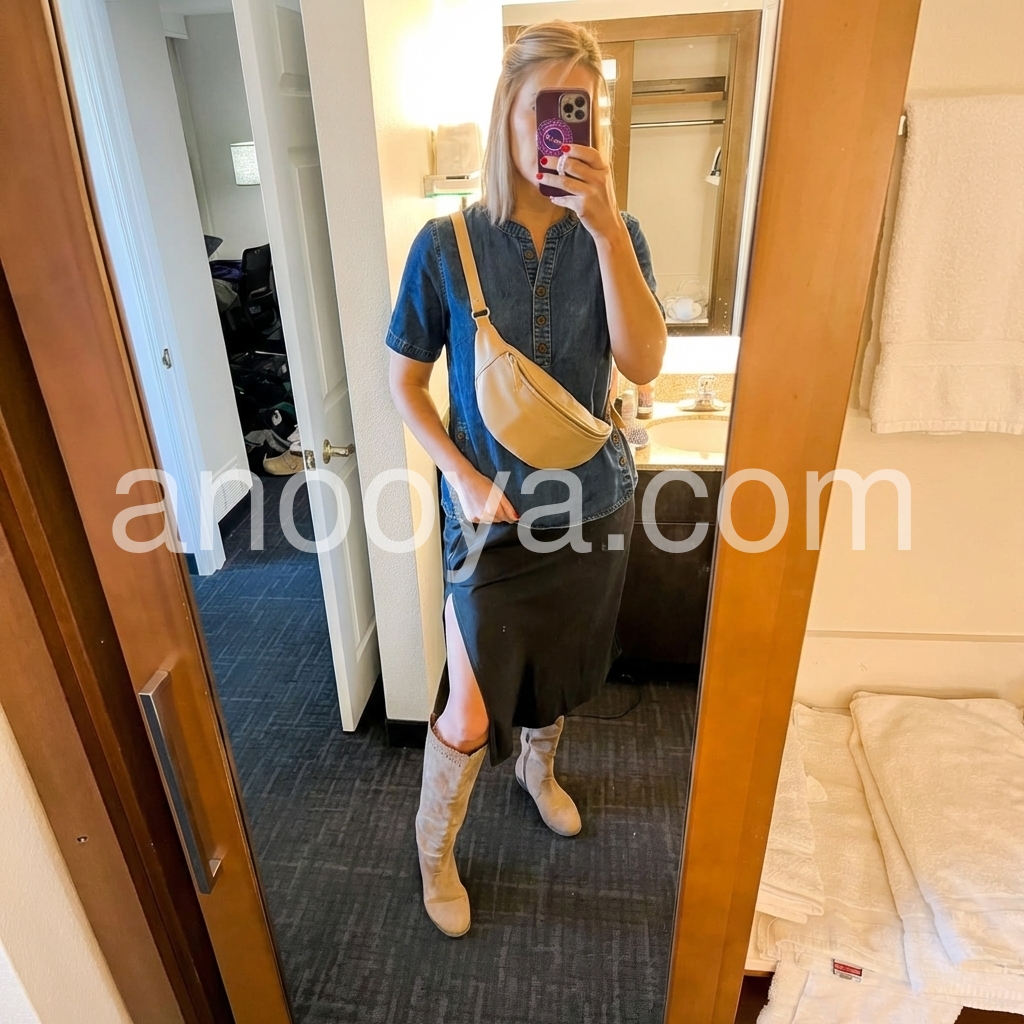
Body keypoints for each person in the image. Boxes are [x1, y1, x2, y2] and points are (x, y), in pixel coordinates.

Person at [386, 20, 666, 938]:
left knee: (562, 670)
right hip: (490, 520)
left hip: (593, 506)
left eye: (580, 110)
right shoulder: (445, 244)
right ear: (509, 111)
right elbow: (404, 385)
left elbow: (643, 362)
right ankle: (434, 851)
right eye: (545, 107)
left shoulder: (617, 234)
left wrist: (606, 226)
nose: (561, 129)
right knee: (469, 708)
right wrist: (463, 478)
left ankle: (538, 774)